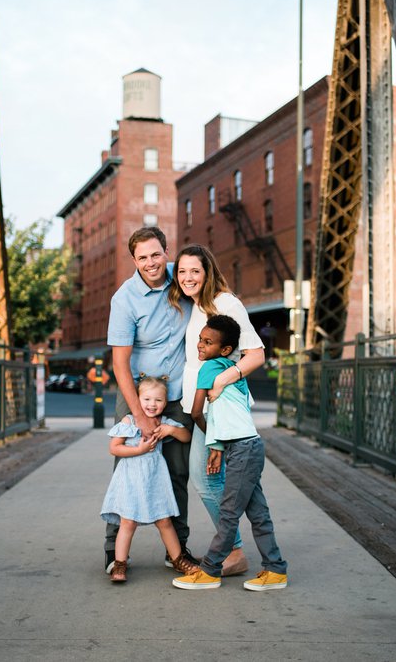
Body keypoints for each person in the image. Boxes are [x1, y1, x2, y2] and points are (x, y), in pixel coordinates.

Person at [167, 244, 265, 577]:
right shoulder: (195, 306)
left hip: (221, 408)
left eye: (195, 271)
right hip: (205, 408)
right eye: (182, 271)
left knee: (207, 479)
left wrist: (222, 380)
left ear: (207, 272)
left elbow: (256, 354)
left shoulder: (226, 303)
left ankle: (234, 551)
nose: (187, 277)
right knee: (225, 480)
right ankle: (244, 550)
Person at [173, 315, 288, 592]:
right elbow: (231, 414)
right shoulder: (235, 371)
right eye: (200, 339)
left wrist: (212, 440)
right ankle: (275, 569)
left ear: (225, 349)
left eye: (207, 342)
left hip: (241, 449)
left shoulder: (208, 368)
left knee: (228, 514)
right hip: (251, 445)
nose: (200, 345)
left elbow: (198, 412)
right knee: (258, 513)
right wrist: (218, 446)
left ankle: (210, 570)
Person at [105, 227, 196, 571]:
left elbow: (214, 295)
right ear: (133, 260)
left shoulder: (183, 279)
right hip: (139, 394)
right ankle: (114, 553)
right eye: (142, 257)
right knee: (126, 470)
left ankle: (178, 552)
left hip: (178, 394)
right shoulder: (124, 299)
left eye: (156, 254)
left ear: (166, 252)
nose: (150, 262)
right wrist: (139, 416)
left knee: (177, 472)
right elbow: (119, 363)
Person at [100, 377, 200, 583]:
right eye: (147, 399)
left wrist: (171, 430)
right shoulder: (129, 421)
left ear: (166, 402)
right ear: (137, 399)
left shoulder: (163, 422)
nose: (152, 404)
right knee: (128, 522)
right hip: (131, 479)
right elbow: (114, 448)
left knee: (164, 520)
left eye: (158, 400)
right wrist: (140, 449)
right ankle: (120, 563)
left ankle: (178, 559)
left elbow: (186, 437)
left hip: (155, 479)